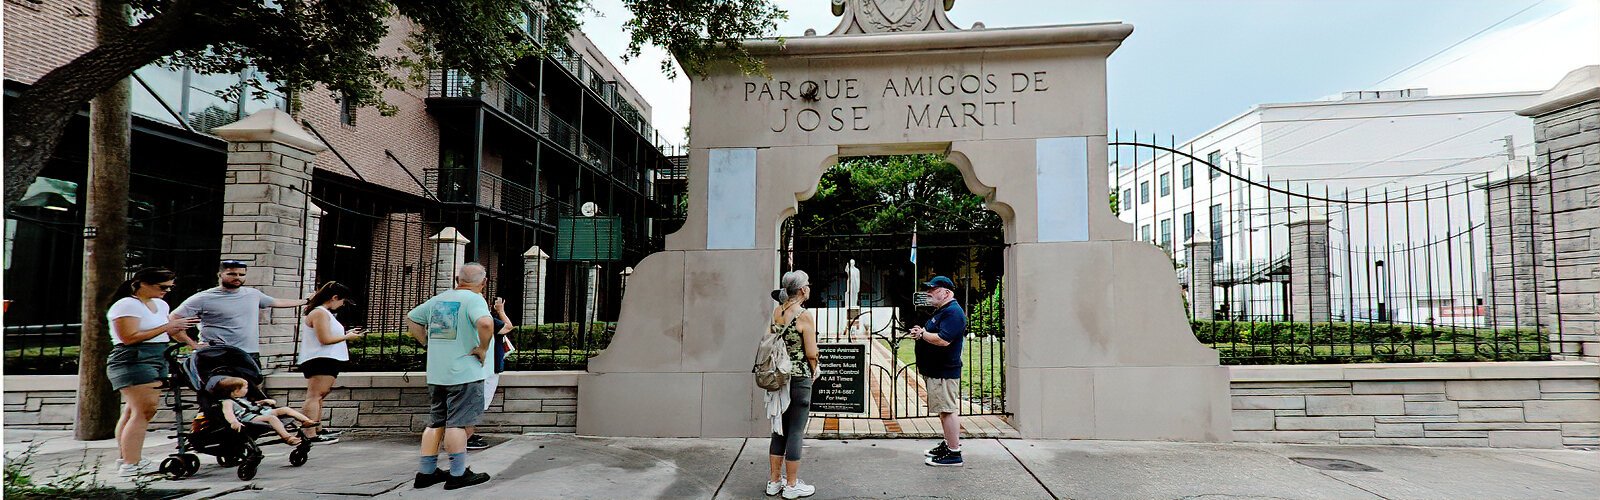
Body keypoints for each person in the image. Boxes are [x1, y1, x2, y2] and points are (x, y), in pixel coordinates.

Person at [406, 263, 494, 490]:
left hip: (437, 373)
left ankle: (426, 472)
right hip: (464, 372)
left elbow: (412, 318)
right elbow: (485, 323)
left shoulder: (439, 299)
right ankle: (457, 473)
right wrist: (483, 348)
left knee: (436, 421)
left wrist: (426, 342)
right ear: (483, 283)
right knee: (458, 424)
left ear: (457, 279)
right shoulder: (475, 299)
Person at [106, 267, 201, 476]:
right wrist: (168, 327)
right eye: (162, 286)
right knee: (144, 410)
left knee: (134, 410)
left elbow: (168, 330)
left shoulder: (160, 304)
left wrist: (192, 344)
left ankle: (127, 458)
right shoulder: (126, 304)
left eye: (170, 287)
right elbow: (129, 337)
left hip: (158, 355)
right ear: (142, 283)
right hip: (134, 358)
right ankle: (131, 464)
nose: (167, 290)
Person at [173, 260, 308, 367]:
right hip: (218, 353)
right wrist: (193, 345)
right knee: (219, 394)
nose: (237, 278)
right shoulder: (203, 298)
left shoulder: (253, 294)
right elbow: (173, 320)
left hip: (249, 353)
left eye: (241, 274)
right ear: (220, 275)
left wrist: (306, 301)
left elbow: (277, 302)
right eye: (232, 274)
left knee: (252, 394)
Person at [765, 270, 819, 499]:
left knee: (779, 430)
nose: (809, 287)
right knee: (796, 431)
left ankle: (775, 482)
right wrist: (815, 369)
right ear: (802, 289)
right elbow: (811, 353)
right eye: (807, 284)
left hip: (778, 378)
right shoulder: (803, 315)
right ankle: (792, 485)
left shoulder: (777, 311)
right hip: (798, 378)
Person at [297, 281, 366, 444]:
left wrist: (346, 333)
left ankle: (317, 428)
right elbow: (325, 339)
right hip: (320, 359)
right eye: (342, 301)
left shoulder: (324, 313)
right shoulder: (319, 313)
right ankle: (309, 433)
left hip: (327, 359)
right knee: (314, 396)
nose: (342, 305)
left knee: (320, 395)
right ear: (334, 297)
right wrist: (348, 337)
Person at [913, 275, 967, 467]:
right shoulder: (942, 311)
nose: (928, 293)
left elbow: (944, 340)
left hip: (945, 370)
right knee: (943, 410)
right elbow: (933, 334)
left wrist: (923, 334)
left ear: (946, 292)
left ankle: (954, 453)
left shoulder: (953, 312)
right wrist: (922, 333)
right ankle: (948, 445)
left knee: (948, 410)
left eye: (932, 290)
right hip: (937, 370)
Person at [465, 296, 515, 451]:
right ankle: (466, 438)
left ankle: (466, 435)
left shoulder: (466, 320)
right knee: (475, 404)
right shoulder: (486, 321)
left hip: (472, 366)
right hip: (486, 367)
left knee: (470, 403)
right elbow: (508, 327)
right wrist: (500, 310)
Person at [212, 376, 319, 445]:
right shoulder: (227, 402)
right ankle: (287, 437)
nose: (247, 390)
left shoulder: (240, 399)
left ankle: (305, 421)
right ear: (235, 391)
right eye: (245, 388)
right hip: (248, 418)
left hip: (257, 412)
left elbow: (251, 405)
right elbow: (228, 413)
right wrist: (234, 422)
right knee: (271, 418)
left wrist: (264, 401)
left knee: (284, 409)